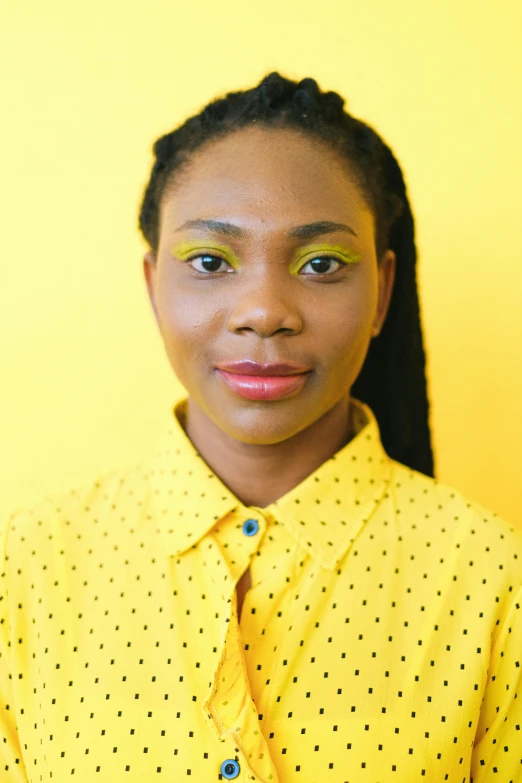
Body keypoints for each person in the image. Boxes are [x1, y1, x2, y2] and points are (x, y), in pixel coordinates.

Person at [1, 71, 520, 783]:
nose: (264, 310)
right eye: (210, 261)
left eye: (321, 263)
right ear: (155, 288)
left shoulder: (496, 583)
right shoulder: (22, 573)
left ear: (382, 293)